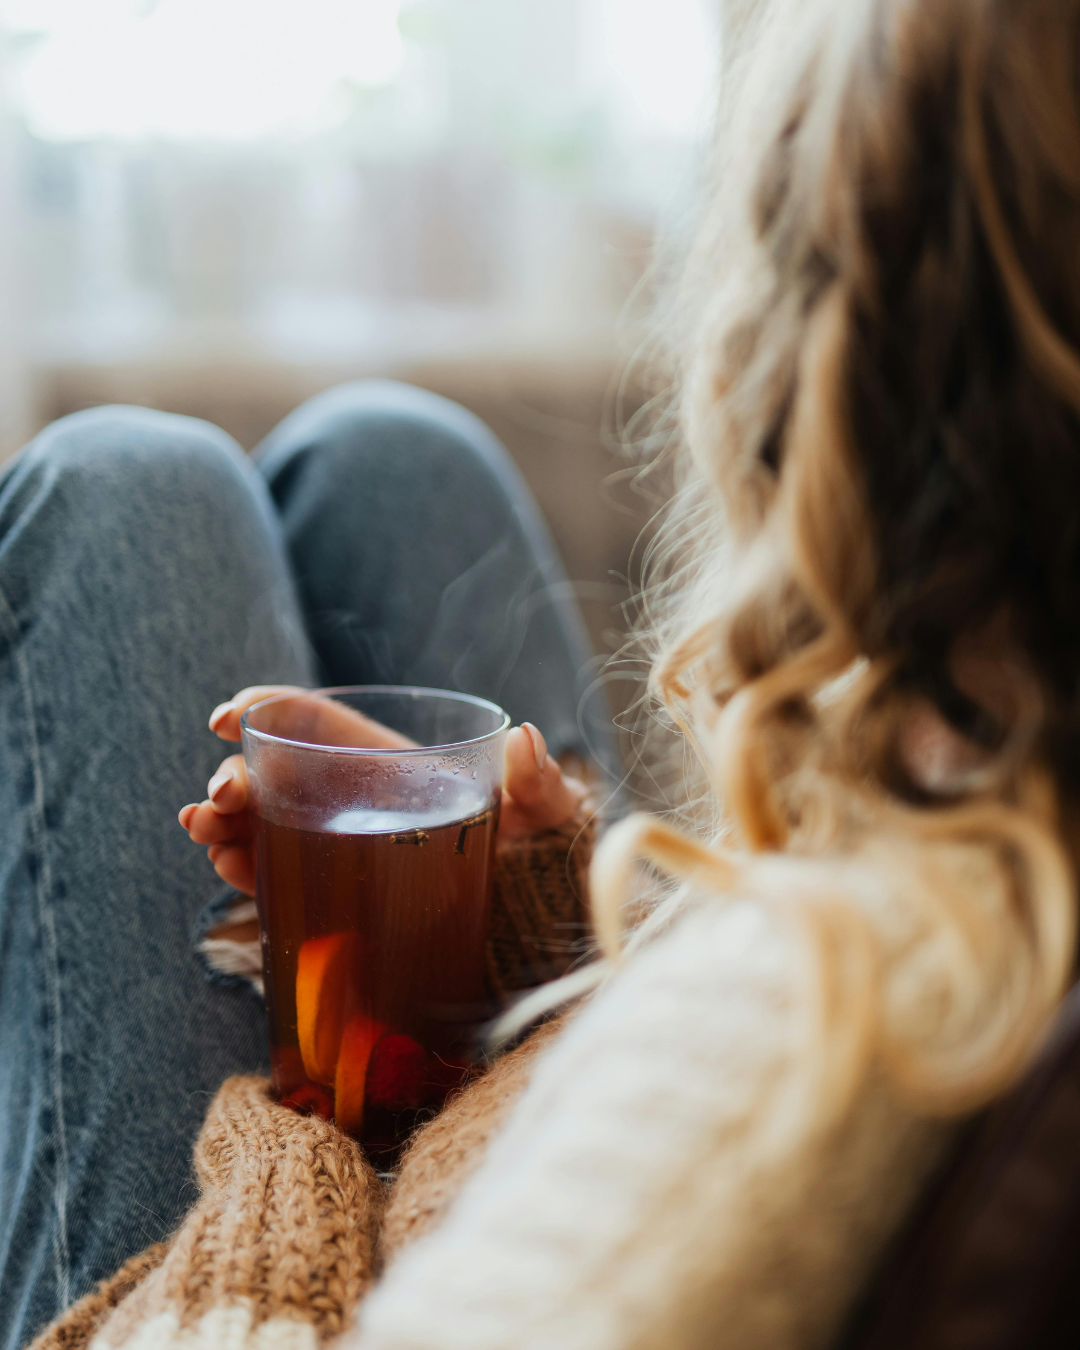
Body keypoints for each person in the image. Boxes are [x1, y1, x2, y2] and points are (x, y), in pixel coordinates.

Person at [15, 0, 1080, 1345]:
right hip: (464, 1159)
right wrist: (535, 932)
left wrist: (295, 1146)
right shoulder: (991, 816)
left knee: (120, 489)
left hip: (240, 1292)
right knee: (397, 452)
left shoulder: (807, 1003)